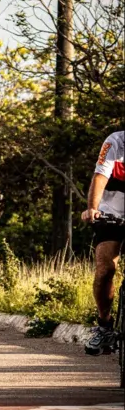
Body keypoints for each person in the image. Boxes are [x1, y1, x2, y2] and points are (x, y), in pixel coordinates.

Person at [81, 130, 125, 355]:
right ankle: (105, 325)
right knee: (105, 267)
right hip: (112, 213)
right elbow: (100, 176)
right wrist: (93, 208)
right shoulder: (115, 141)